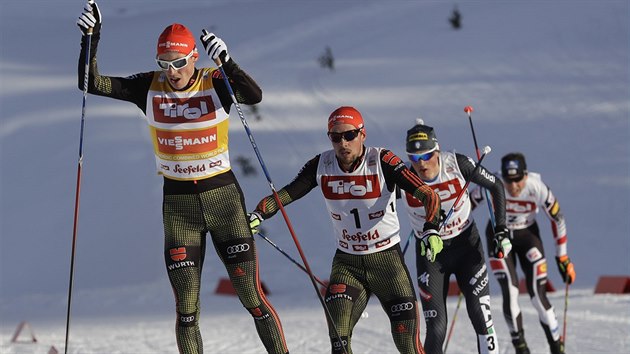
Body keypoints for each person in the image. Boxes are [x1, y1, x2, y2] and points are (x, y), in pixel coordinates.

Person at [76, 3, 288, 354]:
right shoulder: (149, 86)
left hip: (224, 202)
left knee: (252, 298)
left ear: (193, 57)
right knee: (187, 311)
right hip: (179, 209)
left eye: (178, 62)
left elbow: (254, 96)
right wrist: (91, 38)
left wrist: (228, 63)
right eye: (165, 63)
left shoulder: (214, 81)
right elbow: (91, 84)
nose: (172, 71)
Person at [248, 106, 443, 354]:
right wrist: (259, 213)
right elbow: (287, 193)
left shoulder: (382, 160)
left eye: (349, 135)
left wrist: (431, 229)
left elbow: (428, 195)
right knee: (339, 341)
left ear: (363, 134)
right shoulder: (322, 164)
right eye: (335, 137)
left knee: (408, 346)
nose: (343, 143)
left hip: (387, 263)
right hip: (347, 265)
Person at [400, 119, 511, 354]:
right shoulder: (404, 177)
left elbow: (496, 186)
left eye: (426, 156)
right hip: (431, 256)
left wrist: (501, 229)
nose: (421, 164)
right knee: (436, 328)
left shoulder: (457, 164)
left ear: (437, 151)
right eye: (414, 158)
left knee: (482, 317)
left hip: (466, 246)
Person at [471, 152, 575, 354]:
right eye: (509, 180)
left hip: (527, 236)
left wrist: (562, 256)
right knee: (510, 292)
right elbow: (466, 204)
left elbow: (558, 219)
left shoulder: (537, 187)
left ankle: (556, 345)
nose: (514, 186)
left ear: (525, 175)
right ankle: (520, 346)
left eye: (518, 179)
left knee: (538, 295)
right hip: (498, 237)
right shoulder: (493, 182)